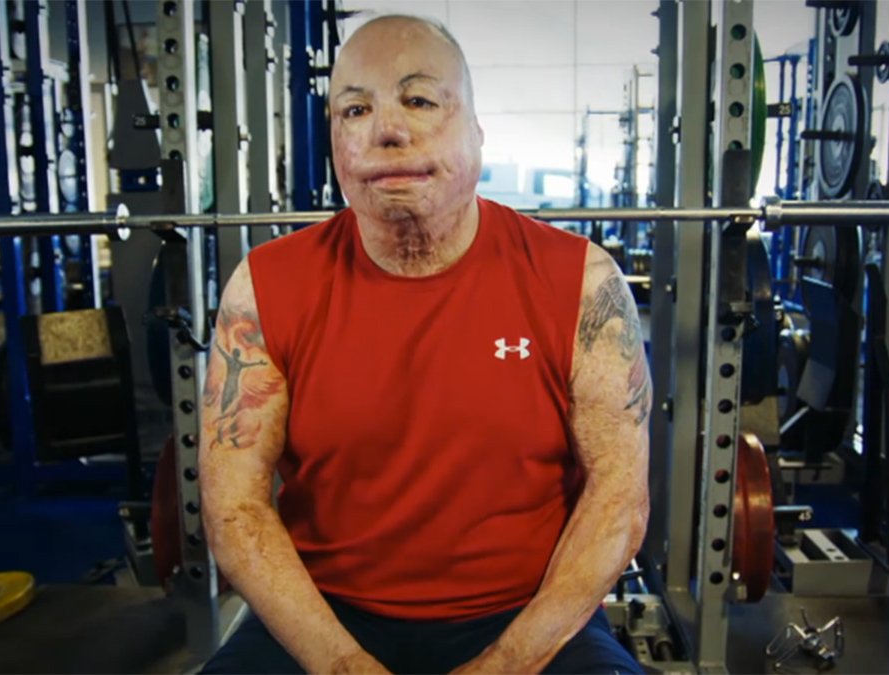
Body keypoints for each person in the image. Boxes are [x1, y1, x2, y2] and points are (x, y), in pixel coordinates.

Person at [198, 14, 650, 674]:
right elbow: (234, 509)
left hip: (525, 613)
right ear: (336, 139)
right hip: (322, 612)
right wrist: (342, 664)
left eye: (418, 100)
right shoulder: (266, 286)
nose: (386, 128)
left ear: (476, 130)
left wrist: (506, 663)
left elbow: (619, 500)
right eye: (355, 109)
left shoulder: (581, 282)